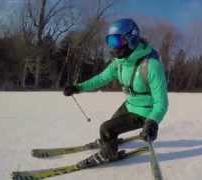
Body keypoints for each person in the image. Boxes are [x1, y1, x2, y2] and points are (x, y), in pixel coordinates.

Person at [63, 18, 168, 166]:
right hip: (129, 105)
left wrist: (153, 121)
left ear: (131, 39)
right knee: (111, 126)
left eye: (116, 41)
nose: (112, 47)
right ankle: (110, 141)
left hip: (145, 112)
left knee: (106, 128)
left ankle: (108, 154)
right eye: (110, 41)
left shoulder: (152, 66)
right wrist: (78, 87)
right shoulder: (119, 63)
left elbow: (161, 102)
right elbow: (100, 79)